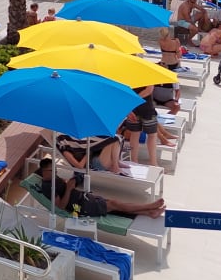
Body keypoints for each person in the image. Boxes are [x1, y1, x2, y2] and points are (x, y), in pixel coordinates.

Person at [35, 157, 165, 218]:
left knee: (114, 206)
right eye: (51, 170)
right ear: (44, 171)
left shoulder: (54, 178)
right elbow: (60, 207)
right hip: (80, 207)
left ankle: (150, 212)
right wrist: (69, 189)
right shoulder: (47, 187)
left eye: (55, 169)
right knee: (114, 204)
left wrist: (68, 184)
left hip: (82, 198)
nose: (55, 172)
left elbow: (62, 188)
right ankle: (149, 206)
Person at [124, 85, 161, 166]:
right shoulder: (148, 74)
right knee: (151, 135)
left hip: (132, 107)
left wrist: (132, 100)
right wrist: (136, 99)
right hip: (146, 108)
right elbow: (149, 90)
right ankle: (153, 163)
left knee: (135, 134)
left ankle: (134, 161)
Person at [55, 134, 123, 174]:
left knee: (114, 137)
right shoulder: (66, 152)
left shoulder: (78, 143)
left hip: (98, 157)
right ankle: (115, 166)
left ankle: (116, 162)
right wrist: (89, 150)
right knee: (113, 139)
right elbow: (80, 166)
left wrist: (90, 145)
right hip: (96, 163)